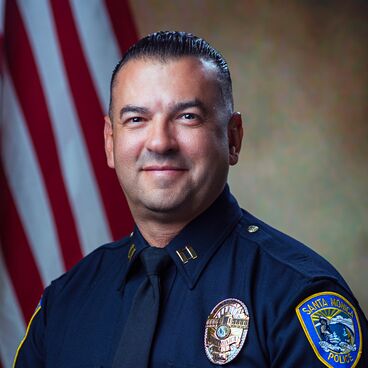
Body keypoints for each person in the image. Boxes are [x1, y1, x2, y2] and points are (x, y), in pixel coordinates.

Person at [14, 31, 367, 367]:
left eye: (187, 117)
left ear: (233, 138)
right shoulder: (63, 305)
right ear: (110, 141)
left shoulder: (297, 297)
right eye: (136, 119)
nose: (160, 143)